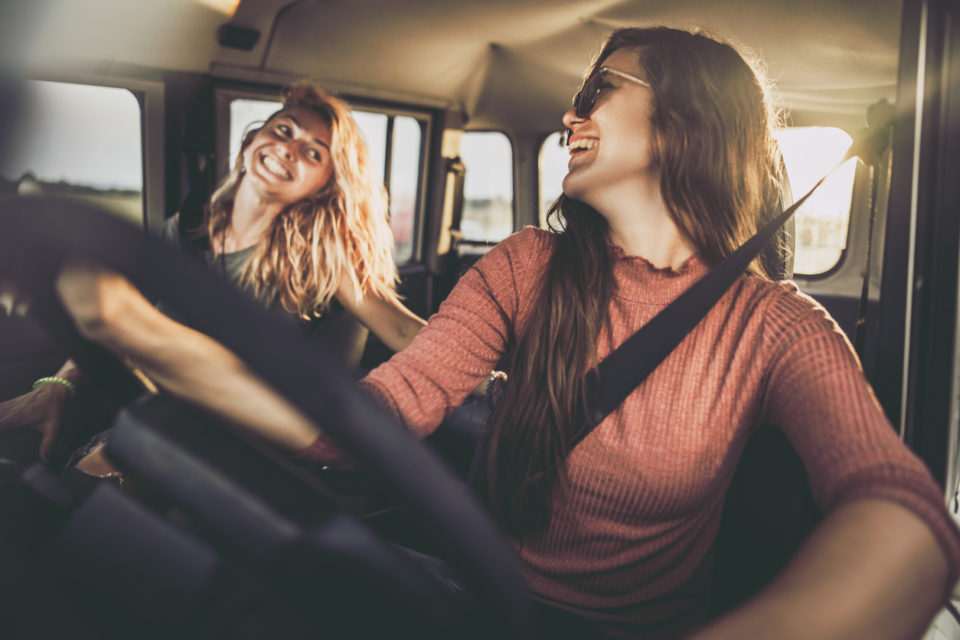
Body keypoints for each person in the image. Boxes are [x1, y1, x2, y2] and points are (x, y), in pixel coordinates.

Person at [45, 26, 960, 639]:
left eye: (601, 91)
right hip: (476, 593)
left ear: (688, 126)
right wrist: (133, 333)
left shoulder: (777, 328)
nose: (573, 115)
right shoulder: (525, 265)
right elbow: (361, 423)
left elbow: (902, 516)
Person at [0, 82, 426, 466]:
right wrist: (57, 385)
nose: (288, 150)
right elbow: (114, 317)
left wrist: (487, 378)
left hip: (253, 451)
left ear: (324, 184)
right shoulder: (186, 232)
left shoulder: (322, 260)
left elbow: (404, 329)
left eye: (314, 153)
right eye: (284, 130)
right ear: (252, 139)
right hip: (160, 419)